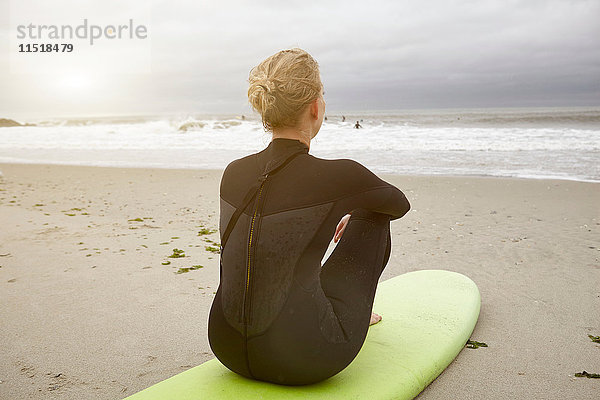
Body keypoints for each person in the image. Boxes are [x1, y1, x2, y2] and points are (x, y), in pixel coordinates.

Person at [208, 48, 410, 386]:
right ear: (315, 107)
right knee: (375, 216)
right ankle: (356, 314)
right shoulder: (340, 176)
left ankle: (334, 310)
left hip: (226, 346)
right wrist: (356, 210)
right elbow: (397, 205)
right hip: (304, 359)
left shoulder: (234, 172)